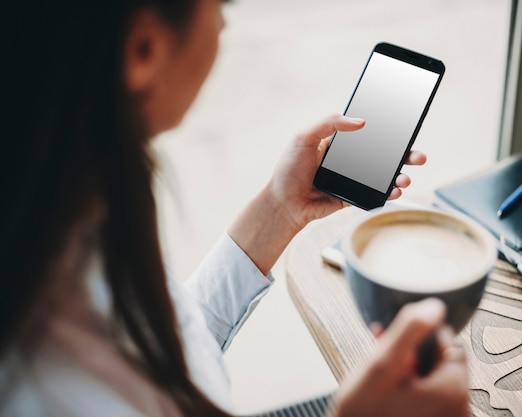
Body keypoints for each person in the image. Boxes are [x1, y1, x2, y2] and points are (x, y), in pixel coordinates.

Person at [0, 0, 470, 416]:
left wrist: (278, 209)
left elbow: (171, 356)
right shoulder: (46, 362)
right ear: (144, 50)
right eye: (221, 3)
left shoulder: (61, 214)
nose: (224, 25)